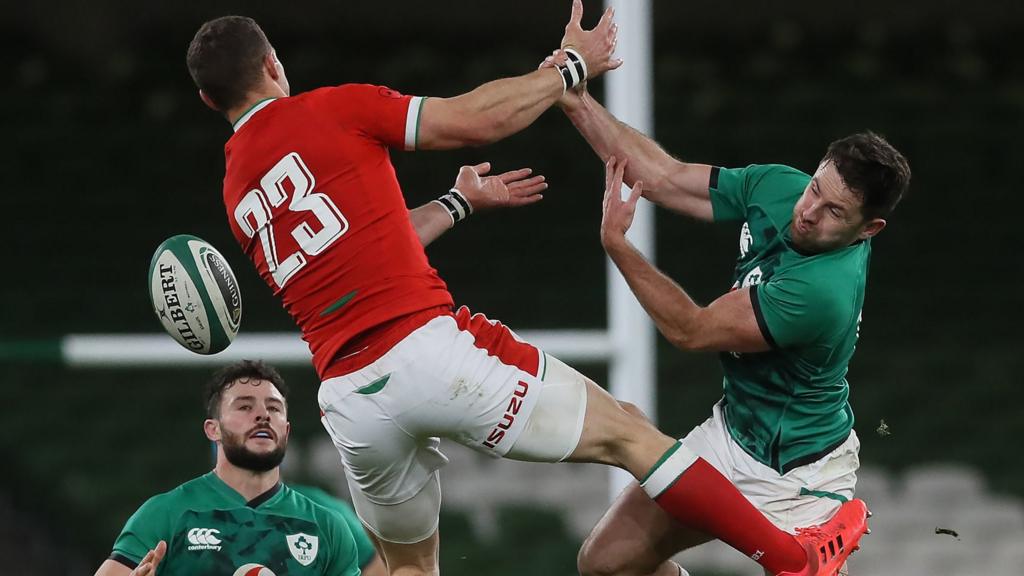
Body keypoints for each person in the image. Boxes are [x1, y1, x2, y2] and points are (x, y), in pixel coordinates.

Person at [186, 4, 867, 575]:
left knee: (409, 569)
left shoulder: (236, 188)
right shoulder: (333, 109)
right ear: (275, 66)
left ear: (209, 101)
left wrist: (456, 205)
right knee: (630, 432)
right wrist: (567, 70)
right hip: (429, 352)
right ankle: (792, 557)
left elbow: (362, 250)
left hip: (349, 400)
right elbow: (473, 121)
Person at [552, 63, 909, 576]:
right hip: (730, 436)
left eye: (834, 211)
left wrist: (618, 246)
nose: (809, 211)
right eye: (815, 188)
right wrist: (575, 100)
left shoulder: (820, 292)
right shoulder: (781, 187)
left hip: (800, 478)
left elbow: (690, 331)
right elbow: (663, 177)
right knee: (606, 565)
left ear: (868, 229)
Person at [94, 360, 364, 576]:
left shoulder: (326, 527)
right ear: (214, 430)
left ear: (287, 430)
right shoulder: (166, 515)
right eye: (245, 406)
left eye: (274, 408)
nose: (263, 415)